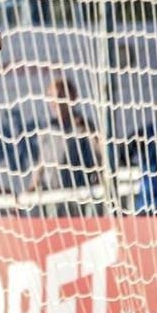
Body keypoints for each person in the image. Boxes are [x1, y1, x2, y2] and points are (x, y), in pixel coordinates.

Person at [26, 77, 103, 216]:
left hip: (79, 198)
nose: (56, 102)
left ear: (72, 98)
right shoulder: (47, 131)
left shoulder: (83, 127)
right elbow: (41, 163)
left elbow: (100, 156)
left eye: (60, 96)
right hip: (53, 200)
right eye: (52, 97)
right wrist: (32, 186)